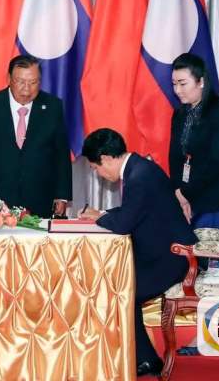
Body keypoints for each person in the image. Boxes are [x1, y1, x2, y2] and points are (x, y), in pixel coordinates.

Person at [80, 128, 198, 377]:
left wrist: (98, 218)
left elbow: (124, 224)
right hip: (163, 252)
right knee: (117, 283)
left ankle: (146, 360)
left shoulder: (138, 176)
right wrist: (102, 214)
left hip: (173, 259)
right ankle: (142, 357)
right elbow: (133, 211)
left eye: (95, 167)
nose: (98, 173)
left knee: (121, 290)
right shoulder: (139, 168)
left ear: (106, 158)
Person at [0, 54, 71, 217]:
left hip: (40, 198)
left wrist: (62, 194)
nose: (27, 89)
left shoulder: (53, 106)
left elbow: (61, 153)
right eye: (20, 81)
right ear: (9, 79)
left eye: (33, 82)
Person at [170, 52, 219, 235]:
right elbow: (174, 157)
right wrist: (178, 192)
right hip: (191, 200)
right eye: (174, 84)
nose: (177, 90)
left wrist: (186, 193)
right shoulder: (180, 114)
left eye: (183, 83)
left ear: (201, 82)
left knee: (217, 254)